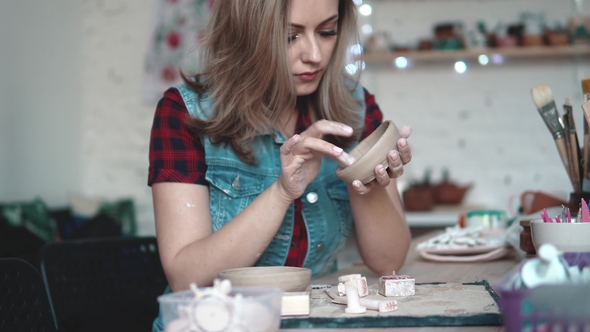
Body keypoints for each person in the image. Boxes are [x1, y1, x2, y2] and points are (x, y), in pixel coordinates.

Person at [148, 0, 412, 329]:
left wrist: (363, 178)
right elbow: (186, 278)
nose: (315, 54)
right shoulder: (183, 113)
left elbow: (389, 261)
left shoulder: (356, 107)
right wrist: (283, 192)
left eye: (327, 32)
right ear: (246, 34)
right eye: (290, 37)